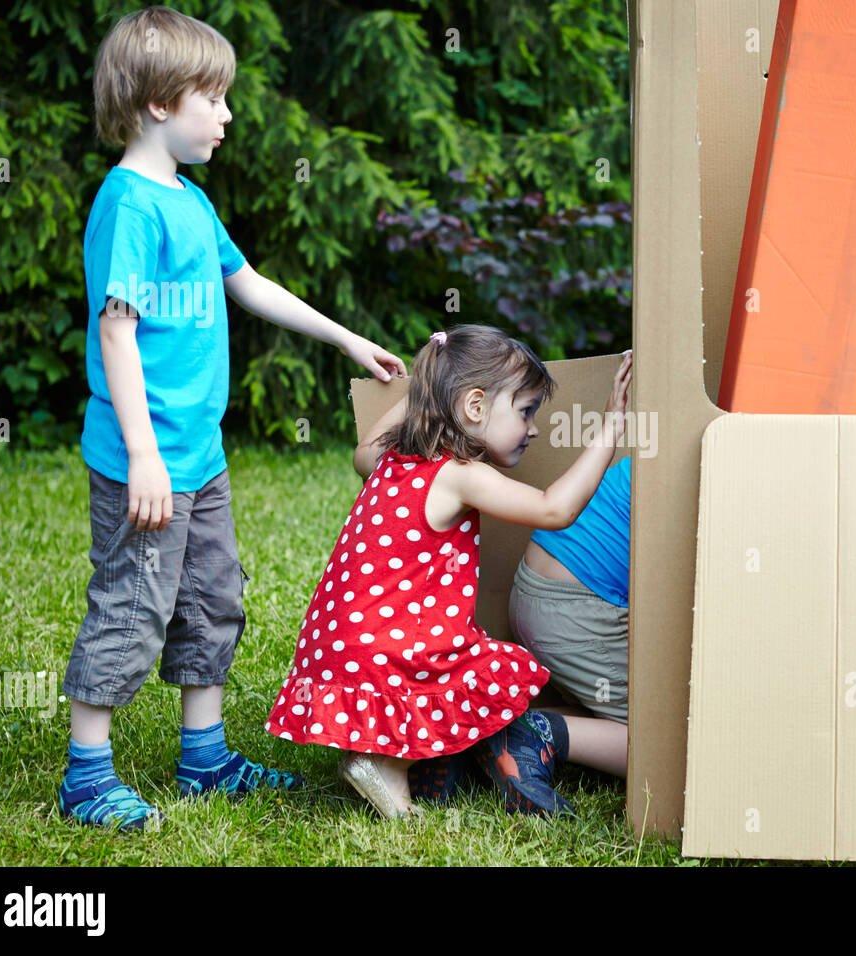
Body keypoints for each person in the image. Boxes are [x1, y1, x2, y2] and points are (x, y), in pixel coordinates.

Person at [60, 6, 408, 832]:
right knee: (132, 605)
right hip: (143, 462)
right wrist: (144, 456)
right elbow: (116, 329)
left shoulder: (189, 200)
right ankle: (86, 776)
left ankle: (205, 758)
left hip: (201, 458)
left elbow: (246, 283)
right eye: (211, 98)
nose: (226, 115)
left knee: (214, 597)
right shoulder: (131, 208)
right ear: (157, 104)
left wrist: (346, 337)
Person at [265, 326, 632, 819]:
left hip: (337, 646)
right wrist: (609, 432)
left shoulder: (394, 459)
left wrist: (424, 379)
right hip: (387, 651)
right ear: (476, 408)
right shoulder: (458, 473)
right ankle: (384, 768)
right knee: (484, 667)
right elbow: (554, 510)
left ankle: (413, 765)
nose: (535, 429)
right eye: (525, 412)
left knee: (450, 660)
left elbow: (360, 452)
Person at [507, 455, 630, 778]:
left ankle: (486, 733)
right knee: (664, 737)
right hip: (576, 613)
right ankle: (536, 734)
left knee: (609, 710)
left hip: (539, 593)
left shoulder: (666, 454)